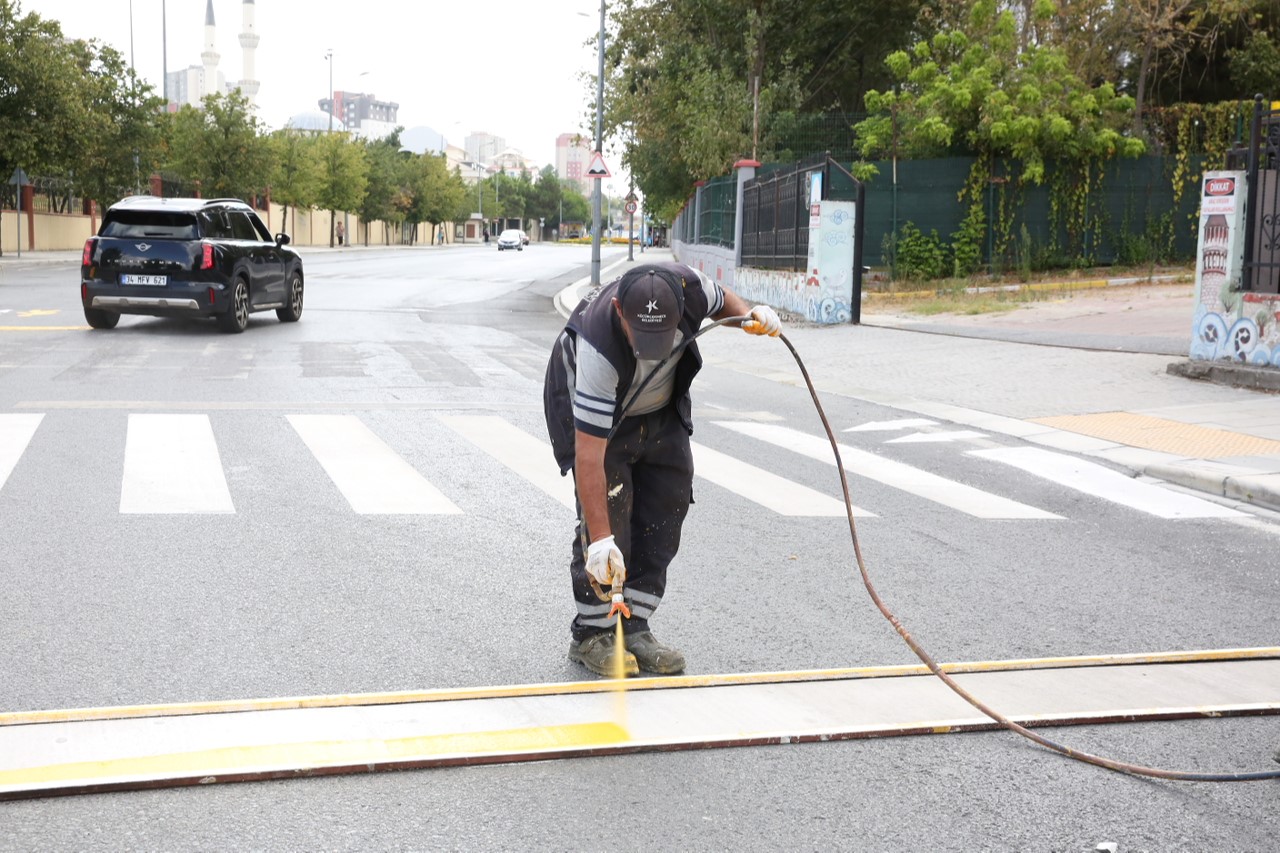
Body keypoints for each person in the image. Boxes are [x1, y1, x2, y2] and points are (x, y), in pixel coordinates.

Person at [543, 263, 781, 677]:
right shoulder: (597, 349)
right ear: (619, 311)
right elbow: (590, 458)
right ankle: (593, 634)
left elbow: (726, 302)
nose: (654, 345)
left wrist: (751, 317)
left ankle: (634, 626)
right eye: (643, 336)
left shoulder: (692, 288)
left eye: (663, 334)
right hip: (598, 416)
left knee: (665, 506)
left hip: (658, 406)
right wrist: (600, 540)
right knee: (609, 515)